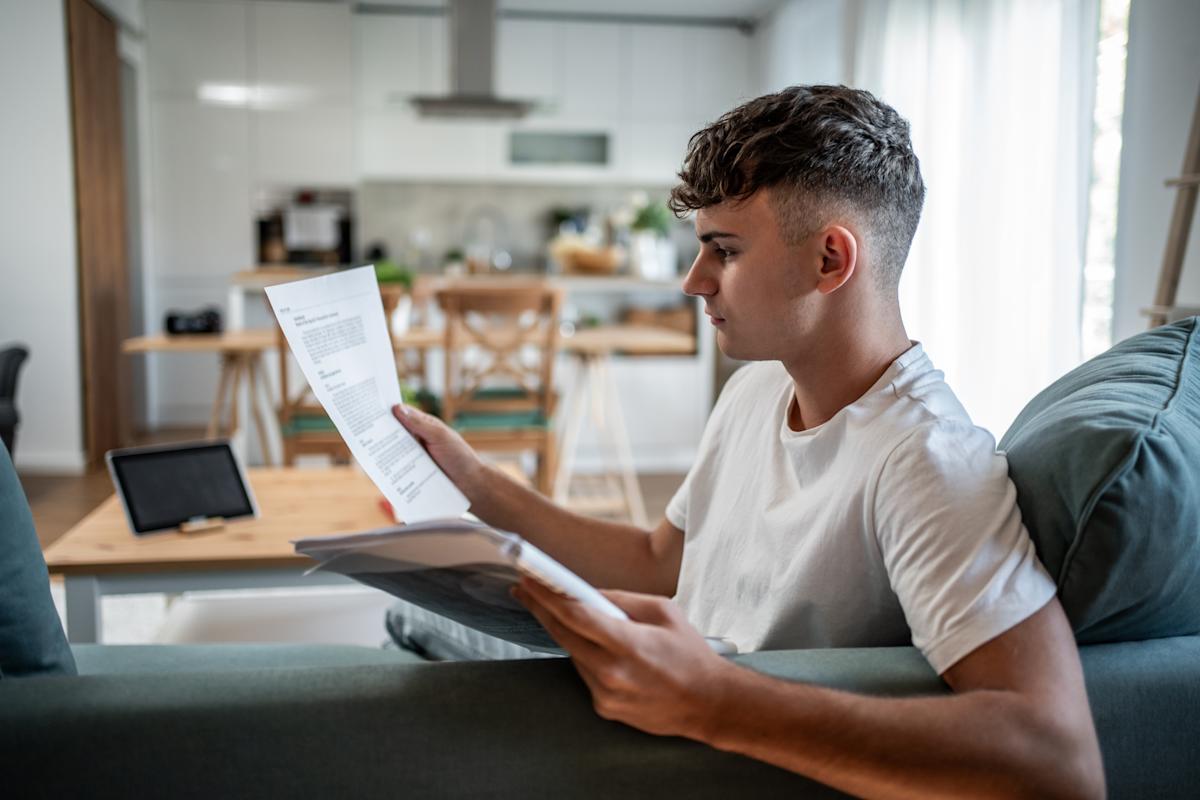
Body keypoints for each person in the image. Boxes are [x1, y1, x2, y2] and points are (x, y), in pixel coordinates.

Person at [391, 85, 1105, 799]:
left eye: (723, 251)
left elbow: (1057, 762)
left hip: (709, 749)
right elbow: (657, 562)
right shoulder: (757, 389)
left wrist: (713, 699)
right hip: (668, 717)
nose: (693, 281)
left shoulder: (927, 460)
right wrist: (477, 486)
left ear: (830, 260)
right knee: (409, 618)